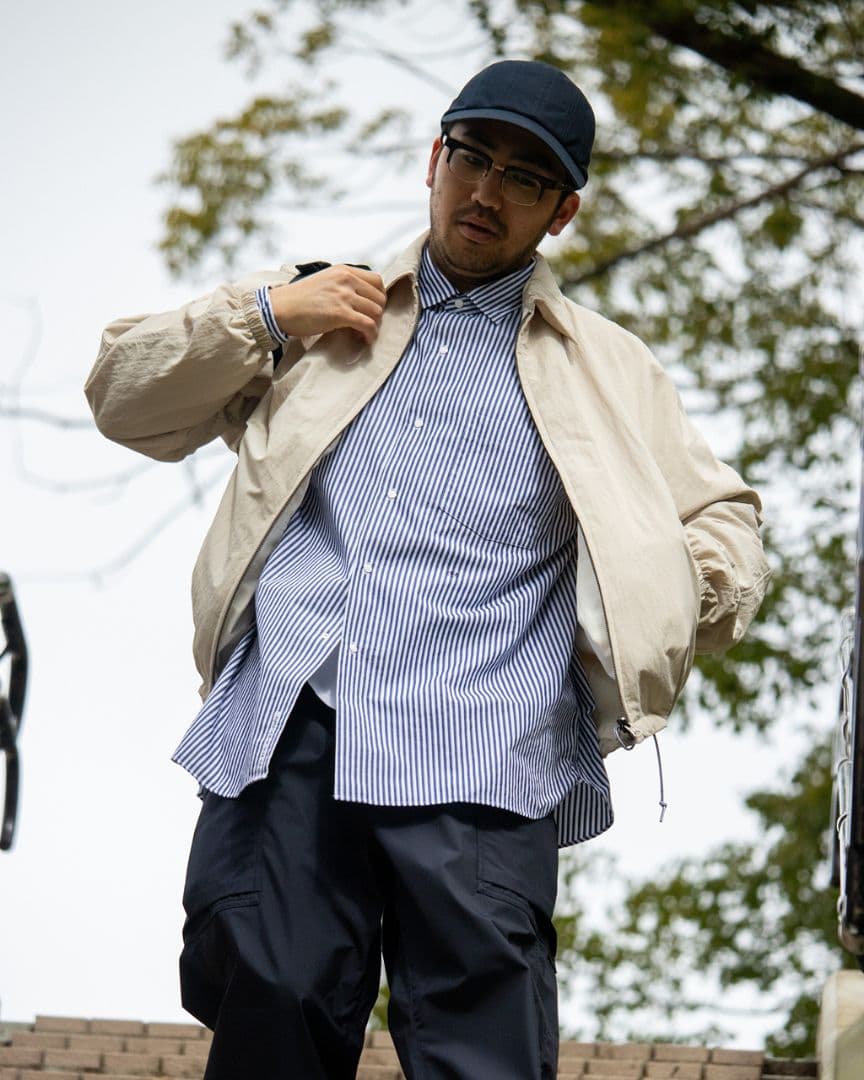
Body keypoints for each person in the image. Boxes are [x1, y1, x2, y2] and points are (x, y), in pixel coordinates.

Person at [85, 60, 770, 1080]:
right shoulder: (319, 314)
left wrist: (677, 594)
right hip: (296, 725)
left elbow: (724, 519)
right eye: (472, 158)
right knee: (272, 1013)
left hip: (487, 749)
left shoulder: (610, 369)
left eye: (525, 178)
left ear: (563, 211)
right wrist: (270, 312)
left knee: (483, 1055)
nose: (487, 191)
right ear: (434, 160)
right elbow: (123, 399)